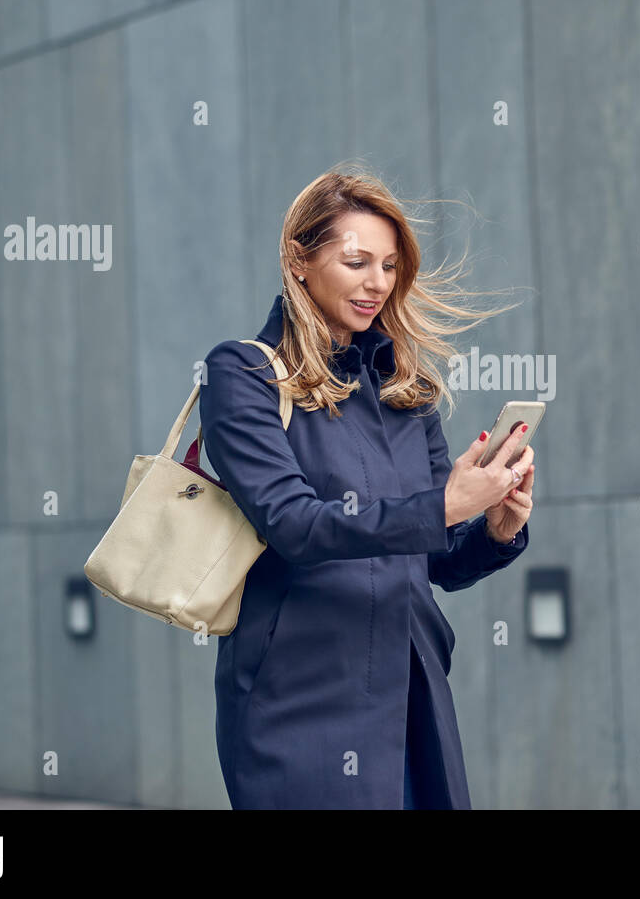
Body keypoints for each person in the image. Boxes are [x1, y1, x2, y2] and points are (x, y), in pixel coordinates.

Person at [200, 165, 536, 809]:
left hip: (411, 696)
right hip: (300, 700)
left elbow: (437, 560)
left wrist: (496, 529)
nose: (377, 283)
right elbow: (293, 524)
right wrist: (442, 506)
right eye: (357, 262)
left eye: (389, 265)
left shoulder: (406, 393)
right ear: (299, 258)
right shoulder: (243, 374)